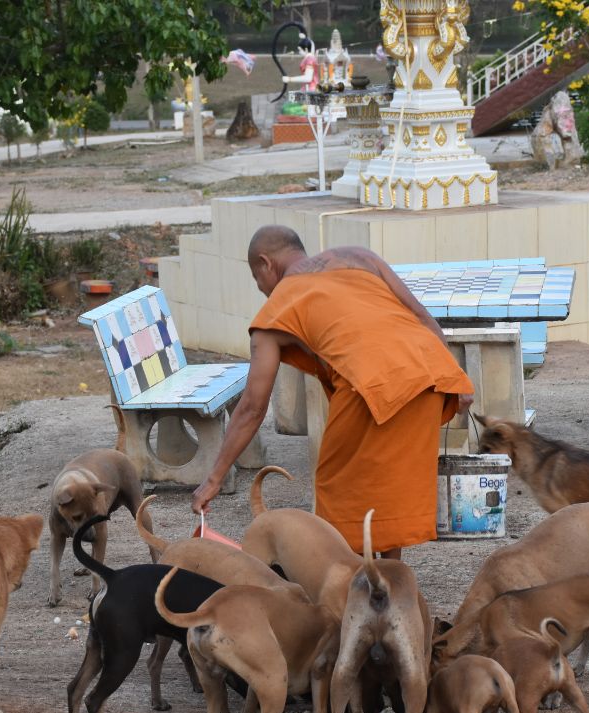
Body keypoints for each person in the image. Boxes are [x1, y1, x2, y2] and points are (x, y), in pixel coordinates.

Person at [191, 225, 474, 559]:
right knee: (384, 487)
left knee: (338, 488)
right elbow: (422, 318)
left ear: (266, 264)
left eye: (257, 279)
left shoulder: (274, 313)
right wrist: (455, 376)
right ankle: (389, 578)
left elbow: (252, 408)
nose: (262, 290)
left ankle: (347, 584)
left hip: (371, 390)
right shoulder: (359, 256)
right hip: (429, 377)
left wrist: (213, 479)